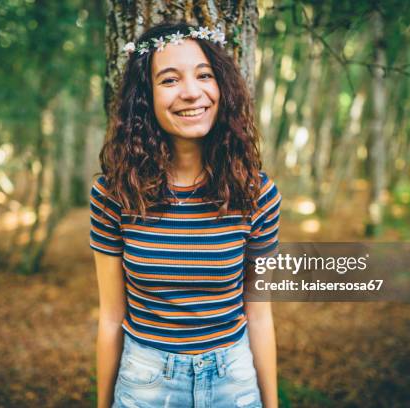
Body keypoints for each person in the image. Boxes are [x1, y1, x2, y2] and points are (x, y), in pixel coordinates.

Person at [90, 22, 281, 408]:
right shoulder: (113, 195)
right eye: (169, 80)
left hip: (234, 382)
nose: (192, 92)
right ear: (146, 97)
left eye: (204, 75)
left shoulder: (257, 193)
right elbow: (111, 318)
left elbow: (259, 317)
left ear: (221, 87)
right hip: (146, 382)